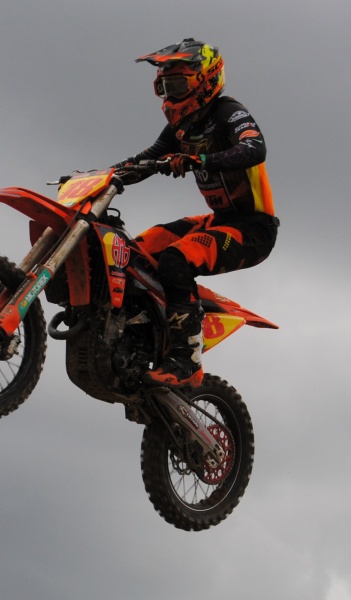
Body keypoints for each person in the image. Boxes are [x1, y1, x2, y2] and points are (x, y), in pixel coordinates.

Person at [113, 38, 279, 388]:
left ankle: (186, 359)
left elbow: (255, 148)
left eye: (178, 86)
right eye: (165, 87)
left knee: (176, 259)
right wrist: (101, 176)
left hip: (252, 229)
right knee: (134, 252)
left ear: (206, 81)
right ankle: (142, 332)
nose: (171, 96)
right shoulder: (182, 125)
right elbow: (147, 158)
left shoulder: (227, 112)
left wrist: (200, 159)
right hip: (217, 222)